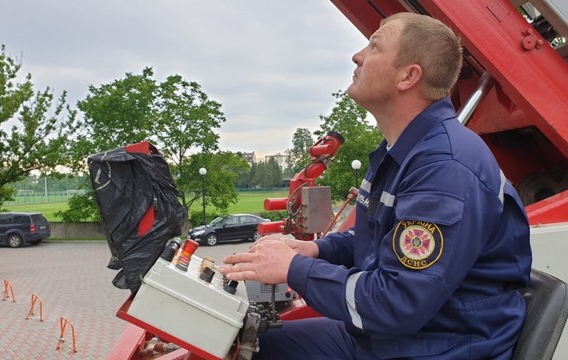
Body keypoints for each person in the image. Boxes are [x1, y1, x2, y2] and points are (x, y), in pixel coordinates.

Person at [220, 12, 532, 360]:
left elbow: (397, 302)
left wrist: (294, 269)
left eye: (374, 46)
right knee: (250, 347)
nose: (358, 56)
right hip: (399, 337)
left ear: (408, 76)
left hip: (441, 346)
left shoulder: (445, 167)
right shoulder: (402, 151)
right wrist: (316, 251)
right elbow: (378, 238)